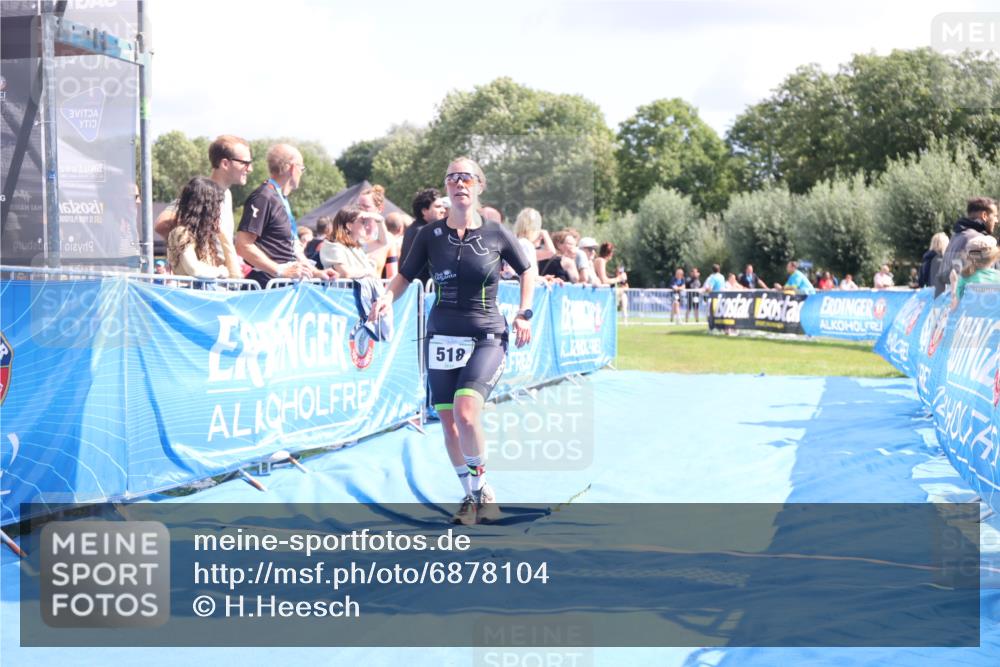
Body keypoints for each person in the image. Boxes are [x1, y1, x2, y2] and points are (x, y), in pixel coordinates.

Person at [369, 156, 535, 525]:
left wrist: (524, 312)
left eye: (468, 178)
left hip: (487, 335)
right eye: (453, 178)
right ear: (446, 186)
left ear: (479, 186)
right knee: (448, 423)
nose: (460, 184)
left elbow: (527, 271)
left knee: (466, 411)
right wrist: (385, 298)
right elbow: (405, 276)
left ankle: (481, 491)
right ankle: (472, 496)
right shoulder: (429, 235)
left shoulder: (496, 233)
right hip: (441, 335)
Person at [235, 143, 335, 287]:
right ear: (293, 168)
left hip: (283, 286)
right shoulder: (263, 196)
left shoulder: (279, 198)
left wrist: (316, 272)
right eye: (302, 169)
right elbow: (243, 245)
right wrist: (280, 271)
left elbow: (291, 248)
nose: (302, 173)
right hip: (266, 288)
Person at [154, 134, 251, 279]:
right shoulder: (200, 194)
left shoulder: (228, 195)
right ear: (225, 164)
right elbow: (161, 224)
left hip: (221, 281)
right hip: (203, 284)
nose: (250, 169)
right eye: (245, 163)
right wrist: (192, 233)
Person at [166, 177, 234, 282]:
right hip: (187, 295)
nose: (219, 211)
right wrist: (220, 272)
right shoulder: (181, 233)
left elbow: (235, 275)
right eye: (216, 205)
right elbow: (194, 269)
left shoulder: (207, 237)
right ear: (205, 208)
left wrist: (223, 236)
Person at [935, 197, 999, 296]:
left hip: (952, 304)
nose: (997, 220)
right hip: (975, 305)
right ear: (985, 215)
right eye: (995, 216)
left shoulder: (956, 237)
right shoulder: (979, 242)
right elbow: (986, 279)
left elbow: (942, 277)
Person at [319, 206, 388, 279]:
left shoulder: (358, 246)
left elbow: (382, 242)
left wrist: (379, 220)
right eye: (363, 222)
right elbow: (345, 273)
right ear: (349, 226)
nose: (367, 226)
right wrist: (368, 271)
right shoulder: (332, 246)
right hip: (342, 290)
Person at [401, 188, 448, 285]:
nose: (443, 210)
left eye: (443, 206)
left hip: (414, 289)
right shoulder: (424, 232)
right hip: (422, 290)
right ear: (424, 211)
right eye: (438, 207)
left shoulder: (412, 228)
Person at [951, 235, 1000, 305]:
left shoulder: (965, 278)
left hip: (970, 315)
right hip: (995, 316)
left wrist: (954, 284)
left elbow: (954, 307)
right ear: (993, 257)